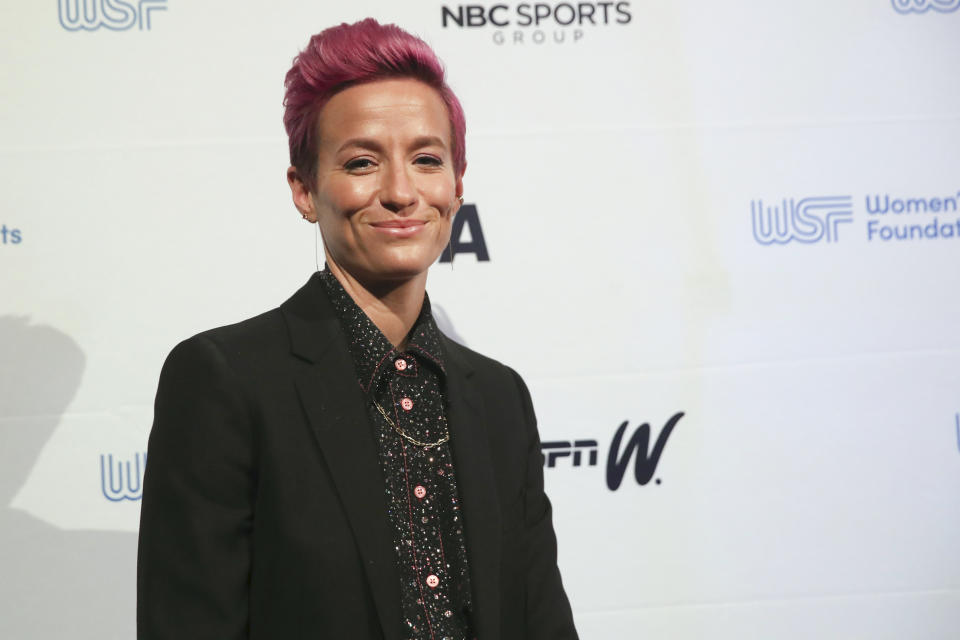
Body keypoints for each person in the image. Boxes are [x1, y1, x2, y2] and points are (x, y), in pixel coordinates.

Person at [137, 18, 578, 640]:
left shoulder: (500, 397)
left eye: (427, 159)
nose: (400, 192)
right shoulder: (225, 381)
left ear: (457, 184)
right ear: (304, 189)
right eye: (362, 162)